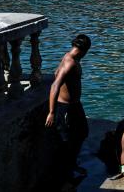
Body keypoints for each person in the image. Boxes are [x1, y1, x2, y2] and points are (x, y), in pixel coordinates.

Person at [45, 34, 91, 179]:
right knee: (66, 140)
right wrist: (52, 112)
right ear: (84, 50)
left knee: (82, 132)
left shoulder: (69, 57)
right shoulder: (70, 62)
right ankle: (66, 173)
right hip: (66, 108)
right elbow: (55, 85)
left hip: (74, 105)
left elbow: (57, 74)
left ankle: (71, 165)